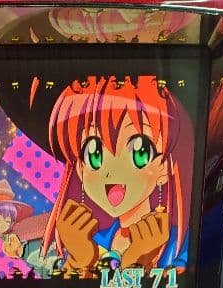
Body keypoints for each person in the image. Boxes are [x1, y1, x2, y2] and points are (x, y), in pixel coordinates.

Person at [42, 75, 192, 276]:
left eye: (139, 152)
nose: (111, 172)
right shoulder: (93, 242)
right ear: (80, 169)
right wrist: (78, 261)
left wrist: (138, 263)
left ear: (165, 167)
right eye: (94, 154)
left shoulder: (179, 247)